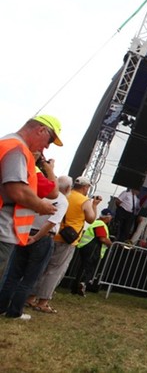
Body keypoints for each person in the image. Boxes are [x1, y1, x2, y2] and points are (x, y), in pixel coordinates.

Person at [0, 115, 61, 284]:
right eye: (49, 140)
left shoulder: (8, 143)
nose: (46, 147)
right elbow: (17, 190)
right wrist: (40, 205)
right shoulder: (17, 149)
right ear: (41, 130)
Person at [0, 175, 70, 320]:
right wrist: (37, 237)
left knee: (13, 275)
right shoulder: (62, 201)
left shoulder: (36, 193)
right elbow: (52, 222)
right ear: (68, 188)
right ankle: (15, 311)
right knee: (30, 278)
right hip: (42, 237)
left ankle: (2, 306)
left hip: (25, 232)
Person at [30, 176, 101, 314]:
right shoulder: (84, 200)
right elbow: (91, 219)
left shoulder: (63, 196)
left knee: (42, 267)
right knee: (55, 271)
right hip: (68, 239)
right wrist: (94, 205)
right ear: (85, 187)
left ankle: (30, 297)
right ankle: (43, 301)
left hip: (51, 233)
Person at [71, 208, 113, 296]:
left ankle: (76, 287)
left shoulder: (96, 222)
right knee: (88, 269)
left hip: (86, 246)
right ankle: (82, 284)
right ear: (108, 217)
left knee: (84, 267)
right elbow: (102, 238)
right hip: (92, 248)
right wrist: (110, 243)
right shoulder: (100, 224)